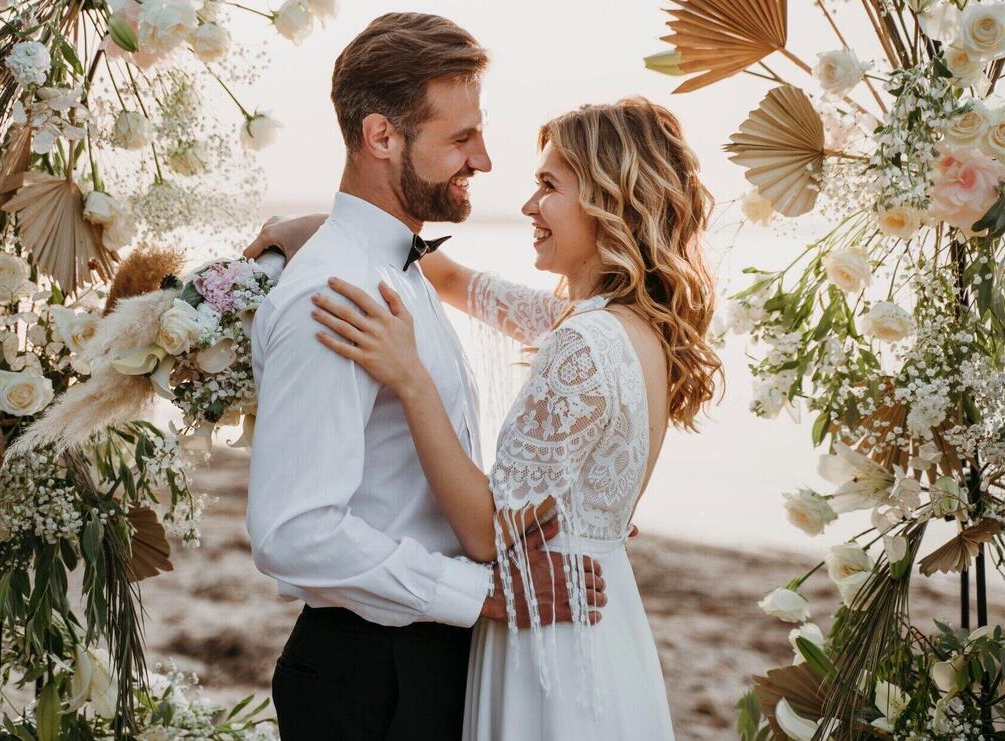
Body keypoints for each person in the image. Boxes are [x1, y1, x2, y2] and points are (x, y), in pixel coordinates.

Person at [254, 97, 723, 739]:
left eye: (549, 186)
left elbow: (486, 533)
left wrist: (411, 378)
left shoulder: (581, 345)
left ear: (610, 203)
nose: (529, 206)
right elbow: (452, 279)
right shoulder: (627, 326)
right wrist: (315, 228)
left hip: (546, 626)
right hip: (601, 615)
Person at [243, 13, 607, 741]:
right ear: (382, 137)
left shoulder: (394, 269)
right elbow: (292, 531)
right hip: (371, 681)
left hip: (419, 662)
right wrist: (483, 593)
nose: (485, 159)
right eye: (461, 137)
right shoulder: (335, 295)